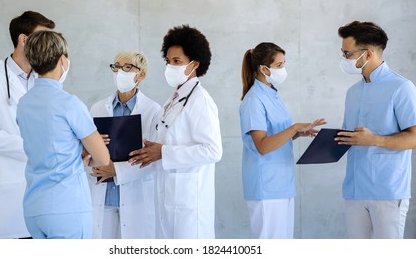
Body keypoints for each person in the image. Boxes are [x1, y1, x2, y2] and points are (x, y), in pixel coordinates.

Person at [128, 25, 222, 239]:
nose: (170, 66)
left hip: (189, 204)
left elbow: (213, 151)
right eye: (168, 61)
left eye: (177, 61)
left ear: (195, 64)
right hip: (168, 198)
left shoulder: (201, 101)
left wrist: (164, 152)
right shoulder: (174, 99)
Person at [16, 31, 112, 239]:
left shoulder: (23, 104)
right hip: (66, 208)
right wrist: (88, 152)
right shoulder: (69, 103)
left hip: (33, 209)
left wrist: (76, 152)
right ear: (62, 60)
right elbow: (103, 159)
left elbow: (47, 145)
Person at [0, 11, 55, 239]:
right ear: (23, 39)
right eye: (42, 38)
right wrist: (28, 146)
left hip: (44, 190)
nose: (48, 45)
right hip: (8, 190)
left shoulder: (44, 79)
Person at [335, 21, 416, 239]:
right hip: (354, 191)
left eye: (348, 54)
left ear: (368, 54)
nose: (344, 59)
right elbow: (353, 138)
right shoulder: (352, 92)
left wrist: (374, 140)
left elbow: (414, 137)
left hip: (387, 192)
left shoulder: (401, 88)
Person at [239, 42, 326, 239]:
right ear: (263, 69)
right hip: (265, 187)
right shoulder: (254, 100)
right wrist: (294, 127)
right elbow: (262, 145)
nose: (283, 70)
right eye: (279, 66)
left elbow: (276, 136)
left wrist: (299, 133)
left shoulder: (272, 94)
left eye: (283, 64)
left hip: (282, 184)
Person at [88, 50, 161, 239]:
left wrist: (116, 170)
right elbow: (86, 153)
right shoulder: (97, 108)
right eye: (117, 67)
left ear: (141, 75)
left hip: (136, 196)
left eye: (127, 67)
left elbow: (153, 159)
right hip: (103, 197)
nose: (121, 72)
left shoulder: (153, 110)